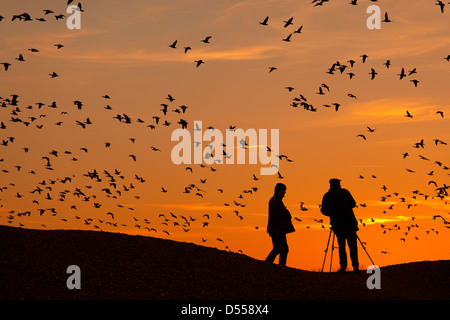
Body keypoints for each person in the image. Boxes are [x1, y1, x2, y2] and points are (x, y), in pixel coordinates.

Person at [320, 178, 359, 273]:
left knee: (341, 246)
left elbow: (323, 210)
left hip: (338, 225)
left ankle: (343, 267)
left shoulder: (327, 196)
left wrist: (333, 213)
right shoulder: (345, 192)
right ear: (337, 184)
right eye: (339, 183)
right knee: (353, 246)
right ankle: (355, 267)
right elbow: (353, 204)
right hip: (350, 223)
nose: (340, 184)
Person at [265, 183, 295, 266]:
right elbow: (275, 214)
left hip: (278, 229)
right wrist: (285, 215)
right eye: (283, 190)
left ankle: (277, 266)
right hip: (276, 229)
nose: (285, 192)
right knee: (280, 248)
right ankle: (269, 264)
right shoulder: (275, 201)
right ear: (279, 191)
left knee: (282, 249)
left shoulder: (276, 200)